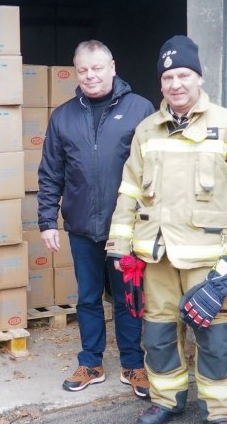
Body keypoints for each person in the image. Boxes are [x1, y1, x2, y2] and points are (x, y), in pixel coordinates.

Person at [106, 35, 227, 424]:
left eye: (183, 75)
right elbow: (129, 190)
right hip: (156, 255)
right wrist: (120, 245)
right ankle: (166, 400)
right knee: (158, 335)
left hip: (208, 259)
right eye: (168, 77)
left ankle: (220, 412)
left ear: (198, 77)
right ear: (161, 83)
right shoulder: (147, 129)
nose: (176, 84)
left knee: (215, 340)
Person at [38, 40, 155, 397]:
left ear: (112, 67)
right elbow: (50, 172)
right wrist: (46, 220)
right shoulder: (63, 116)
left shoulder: (140, 109)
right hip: (81, 227)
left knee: (127, 298)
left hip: (126, 229)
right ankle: (91, 362)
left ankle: (133, 365)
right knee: (88, 298)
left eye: (97, 68)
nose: (90, 75)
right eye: (83, 70)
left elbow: (154, 169)